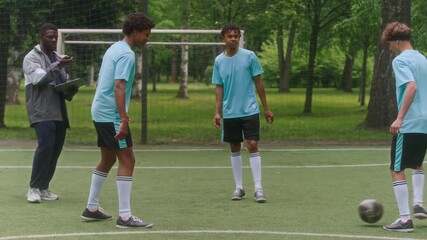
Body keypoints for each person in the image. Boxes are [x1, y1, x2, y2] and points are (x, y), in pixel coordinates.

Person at [80, 13, 155, 228]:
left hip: (100, 111)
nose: (147, 38)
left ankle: (91, 208)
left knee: (108, 159)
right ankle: (125, 216)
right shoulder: (127, 55)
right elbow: (119, 86)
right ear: (135, 32)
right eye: (146, 34)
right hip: (110, 115)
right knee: (128, 160)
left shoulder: (115, 47)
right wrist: (123, 119)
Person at [212, 24, 274, 203]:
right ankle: (239, 187)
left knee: (252, 144)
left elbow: (259, 82)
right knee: (234, 147)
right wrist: (218, 112)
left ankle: (258, 188)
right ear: (223, 38)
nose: (233, 39)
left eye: (236, 36)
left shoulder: (249, 56)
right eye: (229, 36)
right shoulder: (219, 61)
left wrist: (266, 108)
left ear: (239, 38)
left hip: (250, 110)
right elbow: (219, 86)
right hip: (230, 113)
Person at [380, 22, 427, 233]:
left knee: (396, 169)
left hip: (410, 123)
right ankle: (418, 203)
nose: (389, 47)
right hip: (425, 122)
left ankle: (405, 220)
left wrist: (399, 118)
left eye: (390, 43)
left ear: (397, 41)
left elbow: (412, 87)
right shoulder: (423, 58)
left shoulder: (400, 61)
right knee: (417, 163)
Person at [23, 23, 77, 203]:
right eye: (49, 37)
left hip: (59, 111)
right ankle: (33, 188)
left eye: (55, 37)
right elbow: (40, 79)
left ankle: (44, 187)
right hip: (41, 110)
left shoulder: (58, 58)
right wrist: (58, 65)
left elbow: (62, 86)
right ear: (41, 37)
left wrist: (71, 89)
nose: (53, 40)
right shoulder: (31, 58)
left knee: (55, 150)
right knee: (45, 147)